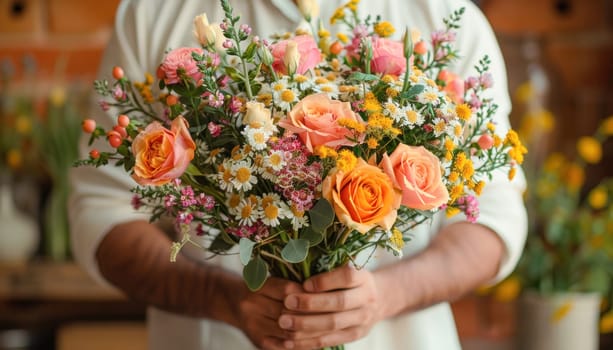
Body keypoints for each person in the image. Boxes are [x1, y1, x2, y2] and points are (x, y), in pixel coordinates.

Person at [68, 0, 527, 349]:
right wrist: (225, 298)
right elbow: (102, 214)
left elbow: (492, 220)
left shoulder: (447, 15)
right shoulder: (155, 12)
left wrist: (386, 294)